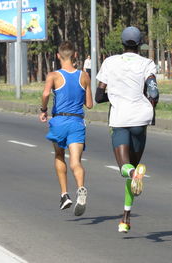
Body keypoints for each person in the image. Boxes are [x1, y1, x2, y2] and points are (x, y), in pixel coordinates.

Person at [95, 26, 159, 233]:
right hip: (141, 118)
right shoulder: (147, 63)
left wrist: (113, 96)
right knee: (132, 170)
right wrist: (149, 105)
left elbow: (98, 96)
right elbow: (153, 91)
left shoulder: (109, 62)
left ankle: (133, 174)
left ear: (121, 43)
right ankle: (125, 218)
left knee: (126, 169)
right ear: (140, 44)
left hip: (120, 118)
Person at [39, 41, 93, 216]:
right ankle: (81, 188)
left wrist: (43, 110)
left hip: (60, 121)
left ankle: (64, 194)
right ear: (75, 55)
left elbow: (46, 93)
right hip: (77, 122)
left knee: (59, 155)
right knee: (76, 162)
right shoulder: (84, 76)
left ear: (58, 56)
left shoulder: (53, 76)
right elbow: (90, 104)